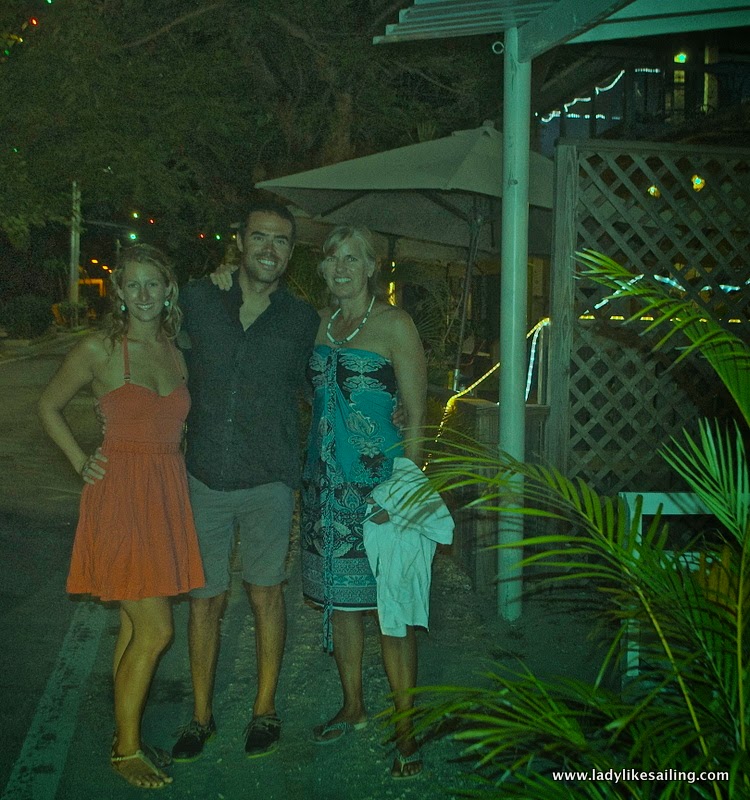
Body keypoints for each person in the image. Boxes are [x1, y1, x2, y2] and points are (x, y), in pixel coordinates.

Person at [37, 244, 205, 790]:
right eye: (133, 284)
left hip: (164, 494)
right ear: (120, 293)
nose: (144, 293)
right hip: (120, 497)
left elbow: (174, 424)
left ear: (169, 289)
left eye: (153, 283)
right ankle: (126, 751)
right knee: (157, 630)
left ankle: (123, 732)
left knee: (135, 625)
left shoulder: (175, 349)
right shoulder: (100, 349)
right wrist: (79, 460)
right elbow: (48, 405)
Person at [170, 203, 320, 762]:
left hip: (269, 479)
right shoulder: (197, 300)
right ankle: (200, 717)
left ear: (290, 252)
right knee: (204, 600)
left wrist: (391, 412)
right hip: (205, 474)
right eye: (260, 237)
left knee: (266, 595)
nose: (269, 249)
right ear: (239, 241)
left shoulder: (302, 320)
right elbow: (147, 343)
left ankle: (264, 710)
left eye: (280, 241)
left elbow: (324, 384)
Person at [300, 226, 428, 779]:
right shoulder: (317, 324)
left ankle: (406, 728)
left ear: (373, 266)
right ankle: (353, 705)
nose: (341, 267)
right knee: (345, 604)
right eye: (333, 258)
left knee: (391, 610)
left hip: (381, 490)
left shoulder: (396, 324)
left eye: (353, 258)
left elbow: (417, 415)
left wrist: (403, 493)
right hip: (326, 490)